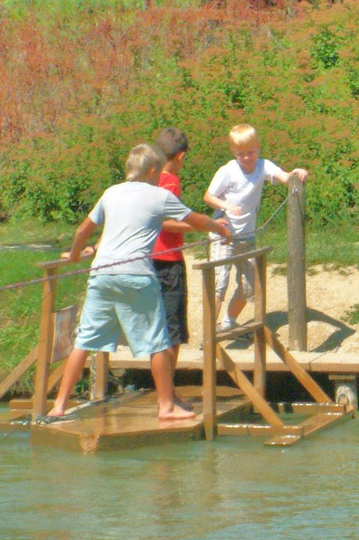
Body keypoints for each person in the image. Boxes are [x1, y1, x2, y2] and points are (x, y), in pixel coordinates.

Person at [48, 143, 233, 421]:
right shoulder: (159, 196)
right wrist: (220, 228)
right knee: (157, 342)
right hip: (137, 275)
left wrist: (75, 255)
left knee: (84, 341)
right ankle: (166, 407)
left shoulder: (111, 193)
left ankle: (59, 406)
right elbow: (197, 221)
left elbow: (83, 229)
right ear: (152, 170)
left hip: (102, 274)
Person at [203, 123, 308, 335]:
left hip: (247, 235)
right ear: (234, 152)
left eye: (250, 152)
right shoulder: (227, 171)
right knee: (219, 283)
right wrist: (226, 207)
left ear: (258, 148)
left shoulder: (263, 166)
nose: (246, 158)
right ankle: (207, 335)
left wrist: (297, 172)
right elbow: (208, 197)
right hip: (223, 235)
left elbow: (285, 177)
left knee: (249, 286)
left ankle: (228, 321)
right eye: (241, 154)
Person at [151, 128, 195, 351]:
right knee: (173, 330)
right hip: (169, 259)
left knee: (157, 326)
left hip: (148, 259)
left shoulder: (148, 177)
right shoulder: (170, 181)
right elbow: (165, 220)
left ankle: (161, 383)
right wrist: (197, 225)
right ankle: (167, 385)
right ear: (180, 156)